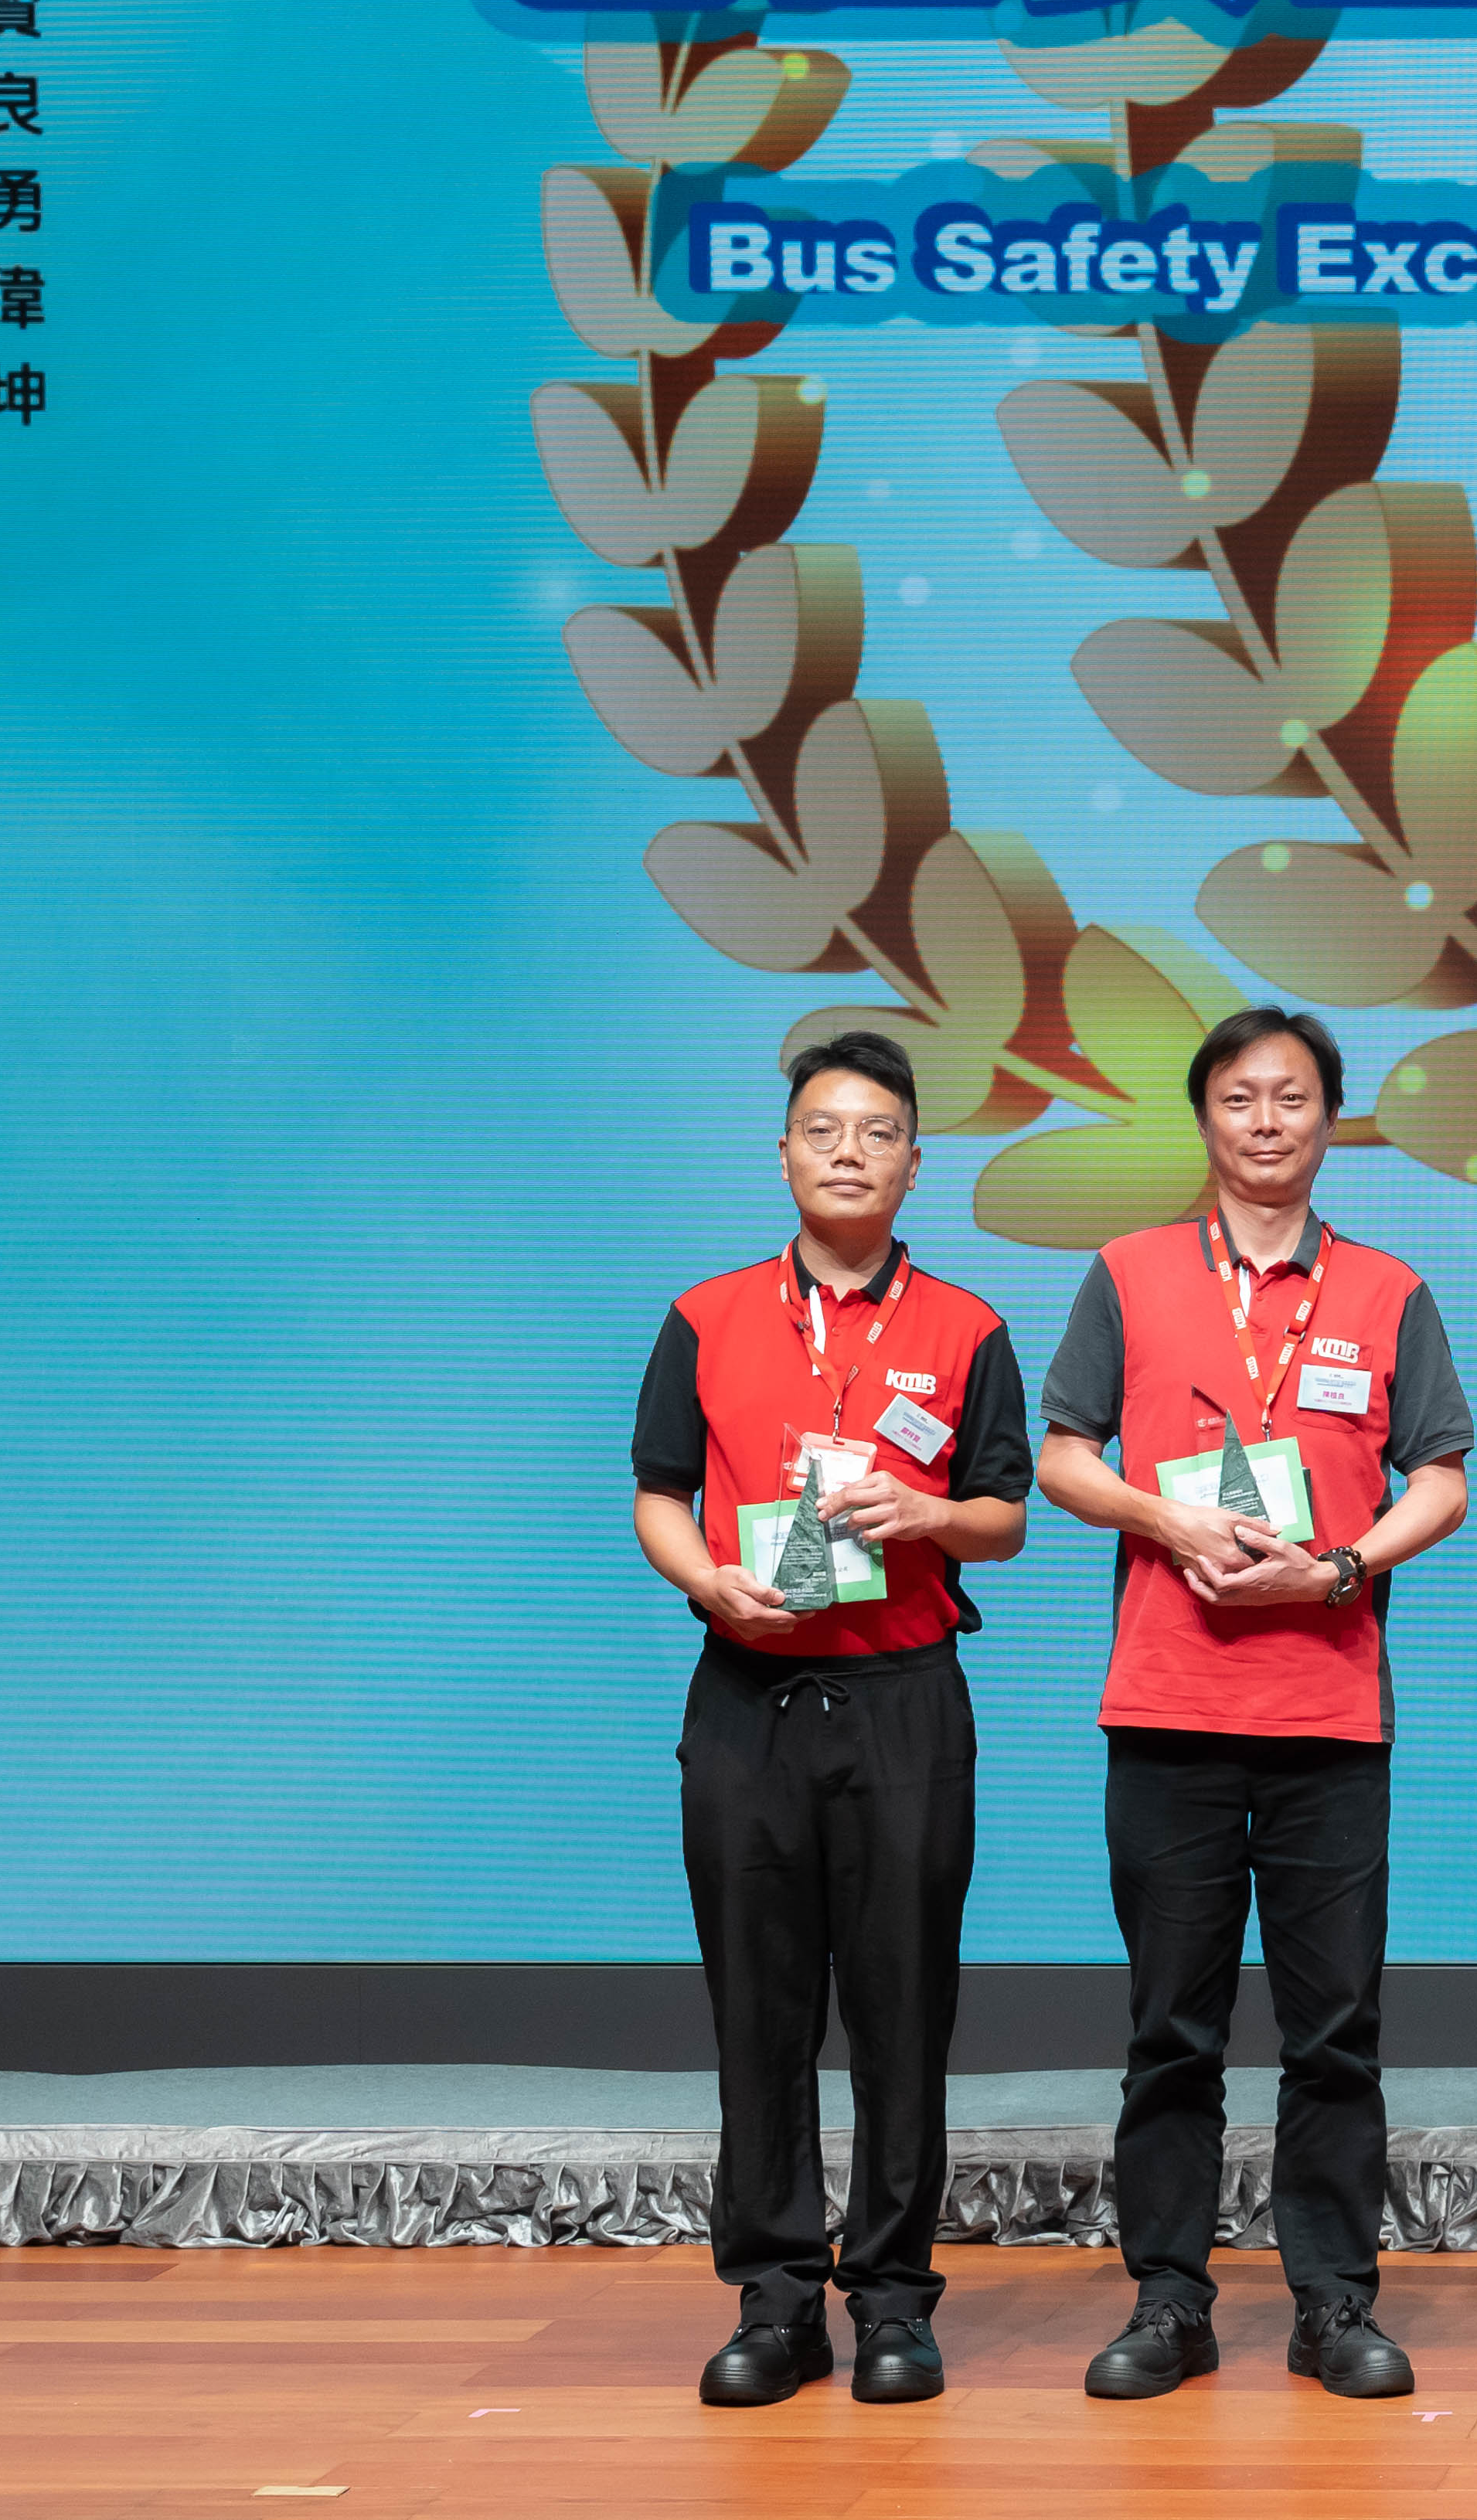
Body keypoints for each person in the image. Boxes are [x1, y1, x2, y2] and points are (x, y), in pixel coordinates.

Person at [1034, 1006, 1471, 2404]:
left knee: (1334, 2032)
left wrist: (1340, 1564)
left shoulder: (1389, 1289)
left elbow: (1443, 1479)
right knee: (1172, 2028)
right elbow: (1062, 1453)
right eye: (1238, 1097)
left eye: (1291, 1097)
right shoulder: (1130, 1269)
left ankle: (1335, 2299)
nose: (1266, 1121)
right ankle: (1169, 2298)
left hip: (1329, 1714)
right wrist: (1166, 1517)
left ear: (1328, 1119)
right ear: (1205, 1116)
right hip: (1168, 1707)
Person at [625, 1032, 1029, 2409]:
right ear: (783, 1154)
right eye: (822, 1128)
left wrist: (926, 1512)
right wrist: (706, 1578)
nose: (848, 1150)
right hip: (747, 1700)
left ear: (916, 1162)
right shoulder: (706, 1316)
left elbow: (1006, 1517)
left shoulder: (967, 1327)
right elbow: (658, 1494)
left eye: (877, 1131)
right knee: (760, 2010)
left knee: (903, 2010)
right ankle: (777, 2299)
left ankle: (897, 2301)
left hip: (903, 1699)